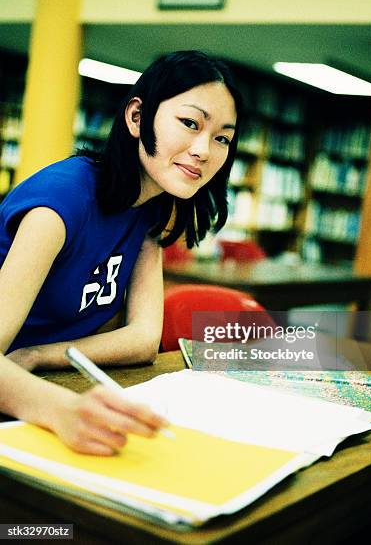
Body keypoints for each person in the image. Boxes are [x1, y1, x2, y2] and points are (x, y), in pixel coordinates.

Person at [0, 50, 241, 455]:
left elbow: (144, 339)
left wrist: (40, 355)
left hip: (30, 391)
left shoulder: (153, 206)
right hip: (30, 404)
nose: (204, 150)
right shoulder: (60, 202)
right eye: (189, 123)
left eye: (222, 138)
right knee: (45, 523)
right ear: (136, 117)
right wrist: (63, 410)